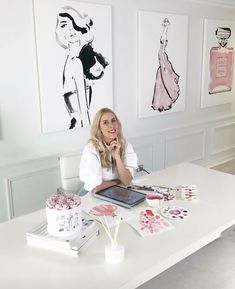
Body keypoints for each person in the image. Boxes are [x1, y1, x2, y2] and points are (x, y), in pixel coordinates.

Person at [79, 108, 138, 195]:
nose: (111, 126)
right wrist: (118, 181)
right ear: (99, 128)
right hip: (91, 195)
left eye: (113, 120)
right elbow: (96, 188)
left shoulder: (125, 145)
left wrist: (117, 157)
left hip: (116, 191)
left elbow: (127, 181)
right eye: (105, 122)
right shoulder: (91, 149)